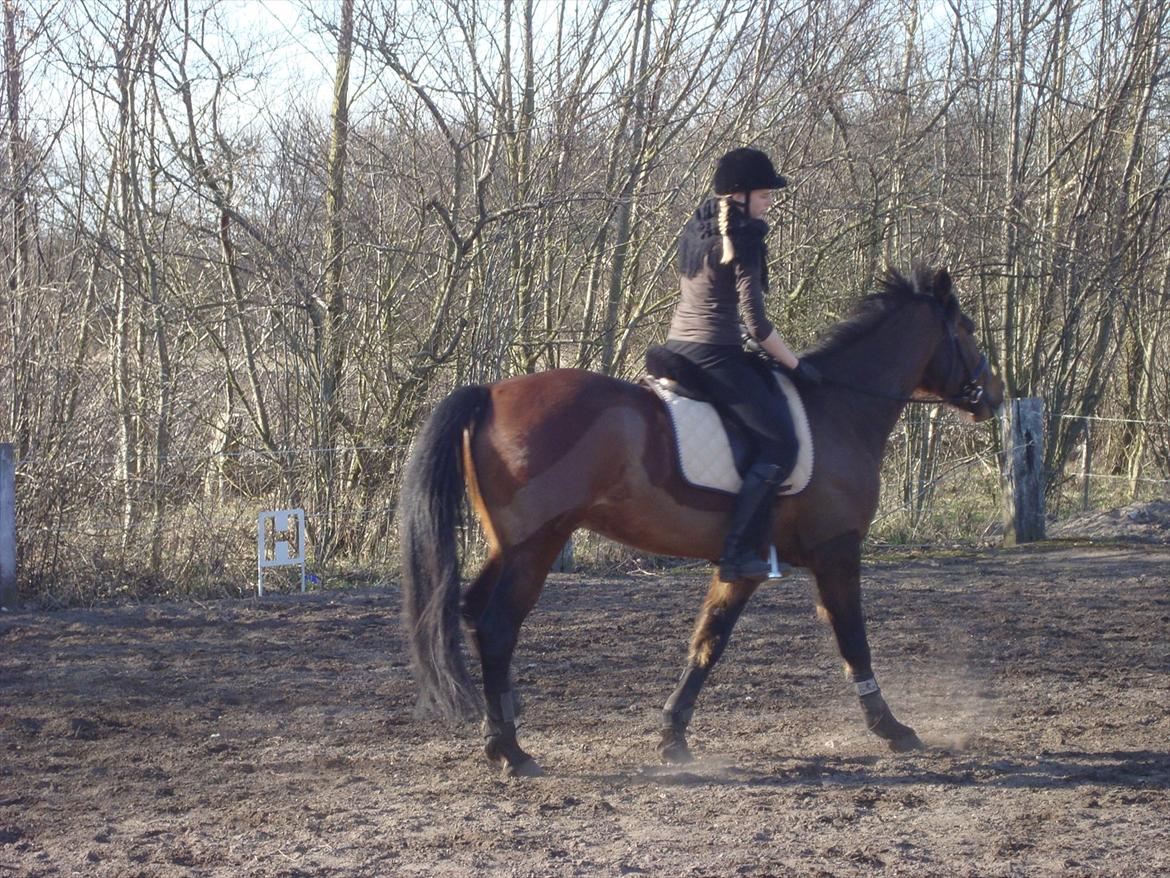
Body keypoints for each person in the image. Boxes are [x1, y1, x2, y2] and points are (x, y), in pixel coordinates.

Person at [665, 147, 820, 580]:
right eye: (765, 195)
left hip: (679, 345)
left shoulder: (698, 224)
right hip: (716, 353)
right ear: (741, 194)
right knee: (780, 446)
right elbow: (757, 326)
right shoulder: (745, 239)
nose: (770, 201)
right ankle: (737, 552)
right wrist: (795, 366)